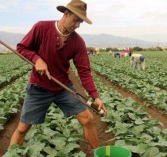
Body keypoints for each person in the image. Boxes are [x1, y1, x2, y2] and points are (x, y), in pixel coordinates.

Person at [9, 0, 107, 150]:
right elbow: (22, 48)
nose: (77, 26)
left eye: (80, 22)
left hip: (63, 88)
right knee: (22, 128)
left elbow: (84, 71)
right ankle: (11, 154)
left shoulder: (78, 42)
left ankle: (96, 153)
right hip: (38, 87)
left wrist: (96, 96)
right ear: (66, 14)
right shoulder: (41, 27)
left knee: (87, 119)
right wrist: (37, 59)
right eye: (75, 20)